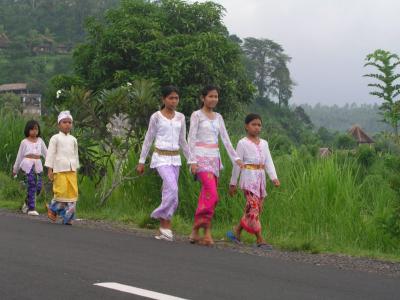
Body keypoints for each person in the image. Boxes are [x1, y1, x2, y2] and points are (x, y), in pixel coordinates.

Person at [188, 85, 243, 245]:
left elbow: (225, 139)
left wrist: (235, 158)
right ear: (203, 98)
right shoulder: (196, 115)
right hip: (200, 159)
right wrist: (192, 161)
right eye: (211, 96)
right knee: (213, 194)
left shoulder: (218, 117)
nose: (214, 99)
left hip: (214, 160)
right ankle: (201, 226)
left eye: (216, 96)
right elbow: (191, 138)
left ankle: (199, 232)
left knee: (207, 196)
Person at [137, 86, 192, 241]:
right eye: (171, 98)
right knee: (172, 189)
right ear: (164, 99)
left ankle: (164, 227)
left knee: (169, 193)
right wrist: (141, 161)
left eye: (176, 98)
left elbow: (183, 140)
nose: (174, 101)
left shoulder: (180, 117)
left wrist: (191, 160)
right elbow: (148, 139)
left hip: (175, 159)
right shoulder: (156, 117)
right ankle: (158, 215)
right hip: (160, 158)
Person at [228, 113, 280, 250]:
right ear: (246, 126)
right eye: (253, 124)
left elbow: (268, 161)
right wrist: (233, 183)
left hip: (261, 180)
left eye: (259, 125)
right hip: (248, 179)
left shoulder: (264, 144)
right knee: (254, 208)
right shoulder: (242, 143)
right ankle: (259, 239)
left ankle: (237, 231)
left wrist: (274, 177)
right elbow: (237, 163)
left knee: (253, 209)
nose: (257, 127)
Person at [45, 111, 79, 225]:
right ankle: (53, 209)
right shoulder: (55, 138)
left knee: (72, 193)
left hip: (71, 170)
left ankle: (68, 218)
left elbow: (76, 155)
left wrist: (76, 168)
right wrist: (50, 169)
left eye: (69, 122)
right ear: (59, 124)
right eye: (64, 122)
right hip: (59, 169)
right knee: (61, 192)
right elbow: (50, 154)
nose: (67, 124)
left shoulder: (74, 139)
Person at [12, 120, 47, 216]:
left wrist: (52, 165)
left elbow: (46, 154)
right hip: (27, 165)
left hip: (38, 165)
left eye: (36, 129)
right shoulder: (24, 142)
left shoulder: (40, 141)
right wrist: (15, 169)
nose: (34, 131)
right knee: (31, 184)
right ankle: (32, 208)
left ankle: (26, 203)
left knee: (39, 187)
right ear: (28, 130)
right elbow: (19, 156)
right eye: (32, 129)